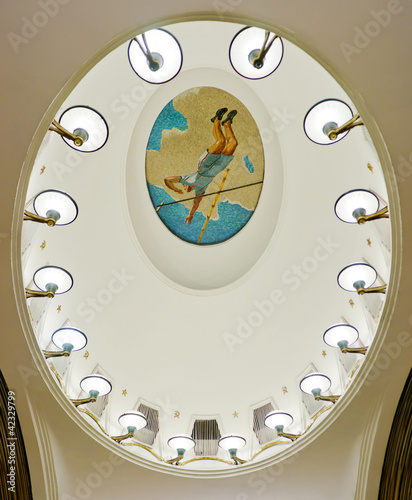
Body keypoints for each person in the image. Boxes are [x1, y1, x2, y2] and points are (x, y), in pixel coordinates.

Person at [164, 108, 238, 224]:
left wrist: (176, 189)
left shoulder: (186, 179)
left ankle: (217, 120)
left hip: (205, 164)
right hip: (218, 167)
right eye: (185, 189)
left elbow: (167, 180)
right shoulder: (200, 189)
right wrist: (190, 215)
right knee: (233, 143)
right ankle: (227, 123)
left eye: (184, 187)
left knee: (221, 141)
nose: (186, 189)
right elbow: (196, 204)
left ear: (184, 185)